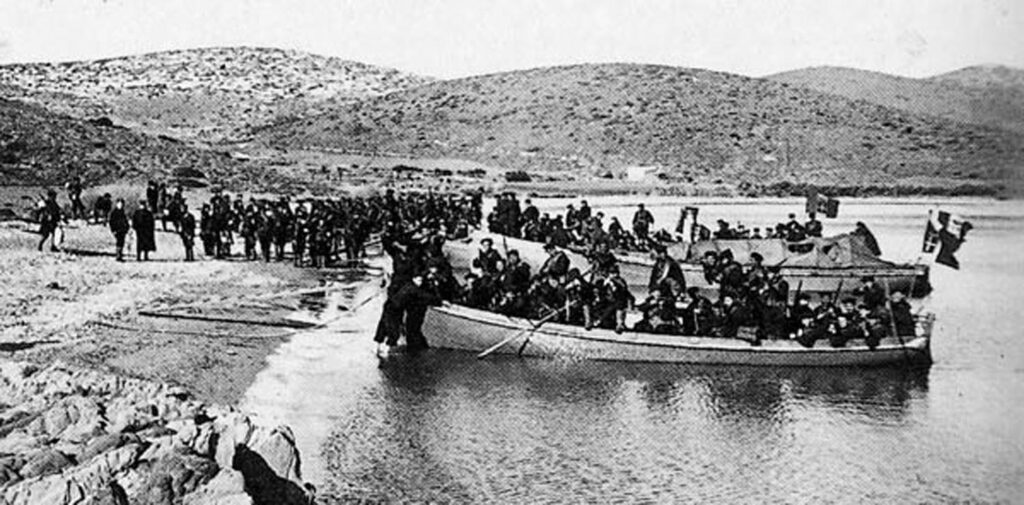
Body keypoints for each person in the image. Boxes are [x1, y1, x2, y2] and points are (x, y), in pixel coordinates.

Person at [393, 273, 442, 352]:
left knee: (412, 331)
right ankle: (417, 350)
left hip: (409, 312)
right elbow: (433, 299)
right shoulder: (414, 290)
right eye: (419, 280)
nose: (420, 283)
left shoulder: (409, 288)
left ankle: (416, 349)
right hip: (411, 313)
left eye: (421, 281)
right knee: (413, 331)